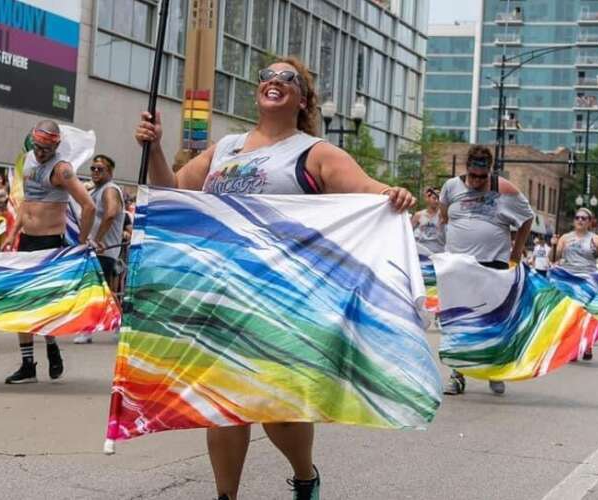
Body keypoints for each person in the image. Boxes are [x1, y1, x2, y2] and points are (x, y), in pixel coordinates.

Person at [134, 56, 415, 500]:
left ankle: (305, 476)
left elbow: (366, 190)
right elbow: (173, 194)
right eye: (267, 75)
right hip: (222, 295)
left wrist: (391, 194)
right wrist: (155, 150)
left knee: (279, 413)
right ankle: (227, 496)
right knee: (223, 406)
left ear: (302, 98)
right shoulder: (225, 148)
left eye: (289, 78)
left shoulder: (315, 152)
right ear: (258, 90)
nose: (275, 81)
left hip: (285, 302)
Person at [0, 120, 96, 384]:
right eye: (37, 146)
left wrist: (82, 241)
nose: (40, 152)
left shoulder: (62, 169)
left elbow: (88, 206)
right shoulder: (29, 160)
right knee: (21, 303)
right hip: (26, 242)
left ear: (55, 145)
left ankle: (52, 346)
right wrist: (11, 234)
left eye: (45, 148)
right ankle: (28, 364)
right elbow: (26, 204)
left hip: (49, 245)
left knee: (43, 306)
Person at [438, 145, 534, 396]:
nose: (477, 181)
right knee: (459, 321)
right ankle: (457, 375)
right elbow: (444, 215)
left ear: (490, 171)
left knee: (492, 321)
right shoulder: (451, 187)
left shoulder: (505, 189)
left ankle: (493, 370)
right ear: (466, 169)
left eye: (482, 177)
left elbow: (527, 218)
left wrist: (516, 250)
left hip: (493, 264)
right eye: (473, 176)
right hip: (458, 266)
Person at [550, 208, 598, 360]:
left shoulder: (596, 240)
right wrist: (553, 245)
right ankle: (573, 347)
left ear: (589, 222)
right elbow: (553, 258)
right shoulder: (565, 238)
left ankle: (586, 345)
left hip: (587, 281)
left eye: (584, 218)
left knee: (585, 315)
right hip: (568, 280)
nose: (580, 220)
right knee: (570, 315)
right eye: (577, 217)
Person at [74, 154, 123, 345]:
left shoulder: (110, 189)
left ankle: (87, 329)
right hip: (97, 249)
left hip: (104, 249)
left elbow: (111, 213)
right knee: (104, 291)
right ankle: (122, 325)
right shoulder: (98, 189)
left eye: (100, 169)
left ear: (109, 172)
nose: (95, 171)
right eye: (93, 168)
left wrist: (97, 239)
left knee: (92, 290)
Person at [411, 187, 445, 254]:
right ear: (427, 198)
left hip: (439, 252)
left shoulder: (443, 215)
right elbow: (408, 231)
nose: (436, 201)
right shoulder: (419, 215)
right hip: (422, 251)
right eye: (434, 198)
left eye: (438, 198)